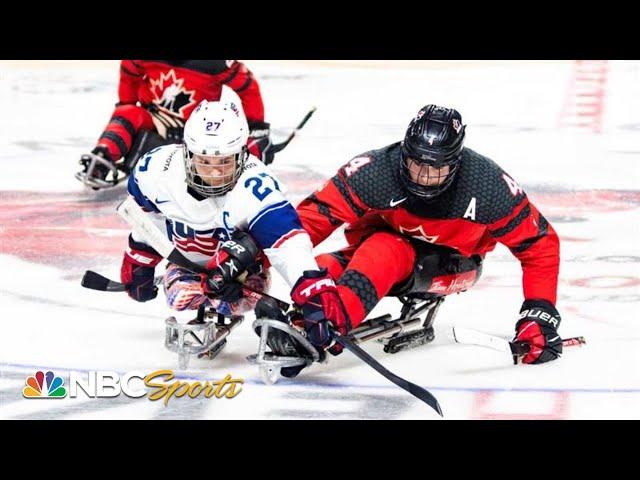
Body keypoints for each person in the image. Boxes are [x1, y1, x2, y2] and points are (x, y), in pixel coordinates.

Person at [282, 104, 561, 372]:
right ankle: (305, 317)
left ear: (456, 163)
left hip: (455, 262)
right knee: (321, 265)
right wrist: (251, 259)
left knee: (385, 248)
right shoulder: (375, 170)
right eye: (416, 164)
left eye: (436, 168)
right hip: (378, 253)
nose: (424, 177)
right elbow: (312, 217)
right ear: (404, 151)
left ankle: (332, 320)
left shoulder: (487, 185)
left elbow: (540, 244)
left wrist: (539, 312)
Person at [119, 97, 321, 328]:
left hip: (240, 275)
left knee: (232, 301)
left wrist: (313, 296)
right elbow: (149, 220)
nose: (214, 174)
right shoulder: (155, 170)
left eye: (224, 162)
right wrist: (139, 262)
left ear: (242, 154)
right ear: (187, 152)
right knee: (179, 296)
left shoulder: (257, 185)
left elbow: (289, 247)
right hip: (188, 267)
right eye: (205, 161)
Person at [76, 60, 274, 190]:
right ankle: (104, 156)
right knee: (128, 113)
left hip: (194, 131)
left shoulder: (215, 62)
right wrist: (127, 106)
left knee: (128, 111)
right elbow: (129, 73)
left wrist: (256, 131)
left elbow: (248, 89)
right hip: (154, 120)